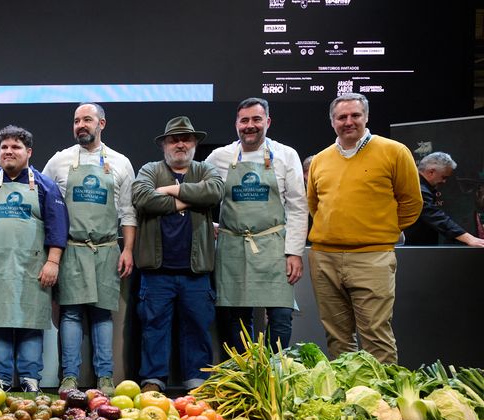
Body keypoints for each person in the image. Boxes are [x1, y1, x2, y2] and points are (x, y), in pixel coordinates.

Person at [307, 93, 421, 363]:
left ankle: (383, 401)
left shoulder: (394, 151)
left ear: (366, 117)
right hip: (324, 258)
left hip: (372, 257)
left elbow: (412, 202)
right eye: (341, 117)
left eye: (355, 115)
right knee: (337, 336)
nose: (348, 121)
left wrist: (381, 231)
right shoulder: (321, 160)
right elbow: (315, 205)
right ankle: (347, 399)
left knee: (376, 335)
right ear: (332, 122)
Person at [43, 103, 136, 396]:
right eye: (76, 121)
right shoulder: (59, 161)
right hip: (71, 249)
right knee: (70, 313)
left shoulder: (121, 162)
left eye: (87, 120)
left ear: (102, 124)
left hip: (107, 248)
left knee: (102, 314)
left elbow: (128, 212)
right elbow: (47, 206)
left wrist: (128, 249)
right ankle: (69, 377)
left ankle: (105, 378)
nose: (81, 125)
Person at [205, 97, 308, 353]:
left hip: (274, 246)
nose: (250, 125)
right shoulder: (219, 157)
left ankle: (274, 373)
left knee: (281, 315)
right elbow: (200, 193)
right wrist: (210, 225)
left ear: (268, 122)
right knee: (236, 317)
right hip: (232, 248)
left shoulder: (286, 155)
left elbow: (297, 206)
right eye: (244, 120)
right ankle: (245, 376)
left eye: (256, 119)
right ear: (236, 124)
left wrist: (294, 252)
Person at [132, 116, 224, 394]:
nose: (180, 143)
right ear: (164, 145)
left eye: (186, 139)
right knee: (153, 329)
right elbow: (142, 198)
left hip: (196, 272)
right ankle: (153, 381)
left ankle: (197, 385)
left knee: (197, 328)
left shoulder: (205, 169)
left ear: (195, 143)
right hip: (156, 272)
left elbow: (215, 191)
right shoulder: (149, 170)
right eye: (174, 139)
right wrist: (191, 200)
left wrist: (172, 190)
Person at [0, 125, 68, 394]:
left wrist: (53, 262)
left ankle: (30, 379)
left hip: (32, 267)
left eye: (15, 147)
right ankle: (0, 379)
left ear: (28, 152)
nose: (9, 151)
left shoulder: (44, 185)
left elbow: (58, 226)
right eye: (4, 147)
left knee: (30, 322)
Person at [403, 152, 484, 247]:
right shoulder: (418, 189)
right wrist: (469, 239)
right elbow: (434, 216)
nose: (444, 181)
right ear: (431, 172)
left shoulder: (420, 186)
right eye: (444, 177)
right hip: (412, 249)